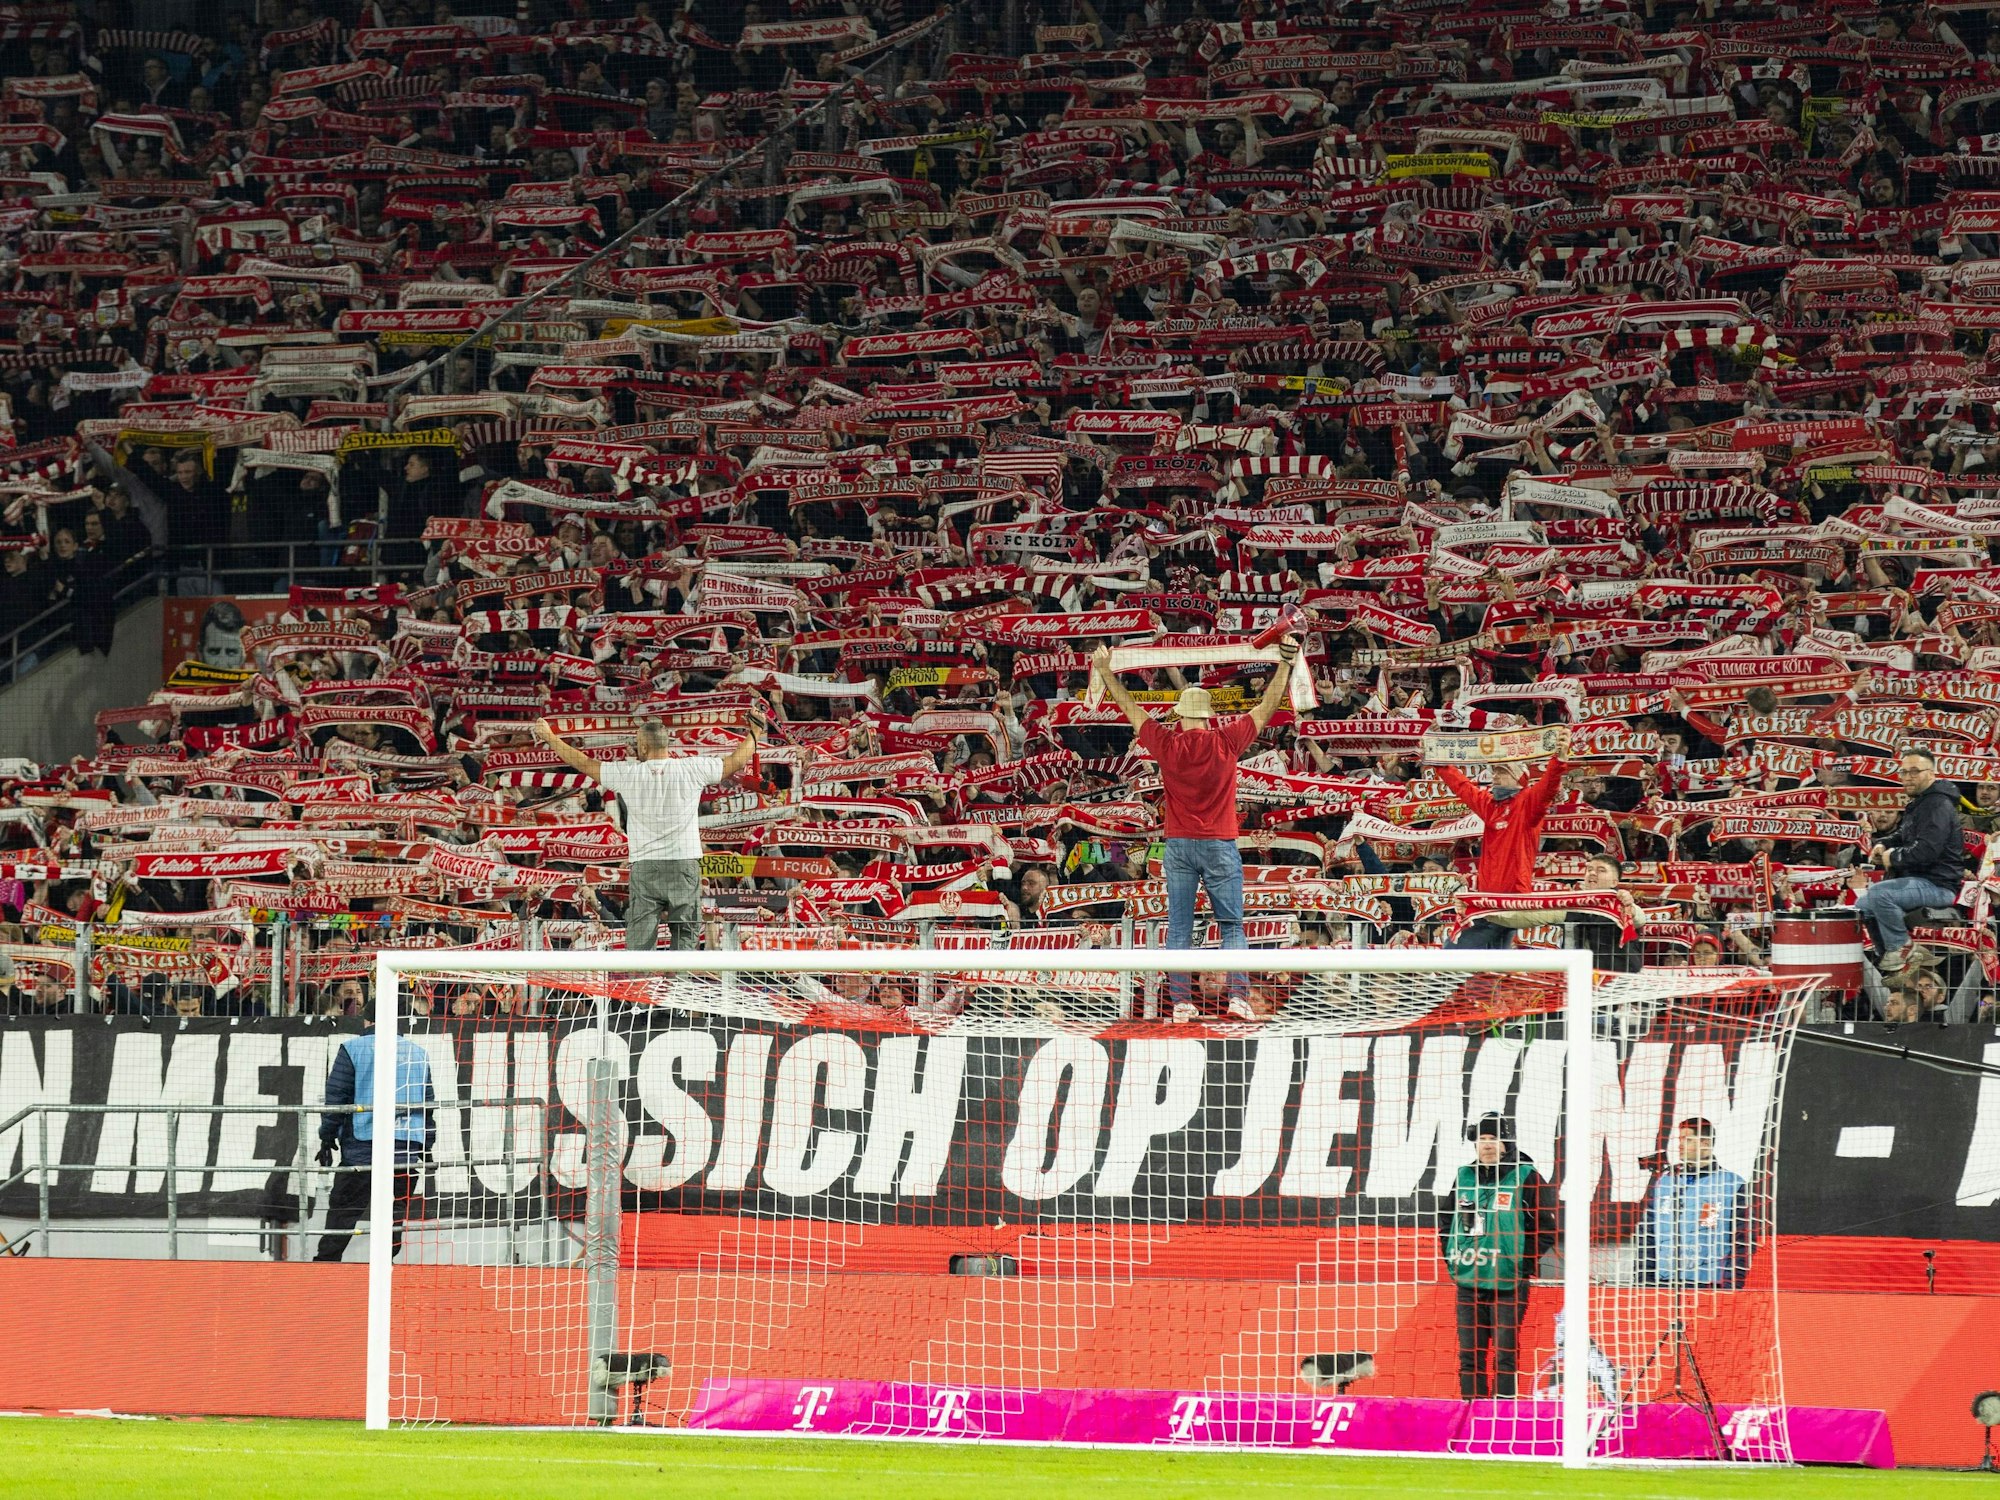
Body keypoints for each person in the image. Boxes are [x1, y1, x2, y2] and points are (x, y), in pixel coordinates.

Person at [1091, 636, 1300, 1012]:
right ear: (1208, 715)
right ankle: (1238, 998)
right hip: (1220, 843)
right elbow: (1268, 706)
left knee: (1181, 929)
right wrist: (1284, 665)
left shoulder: (1167, 744)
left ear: (1180, 715)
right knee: (1233, 927)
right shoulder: (1227, 741)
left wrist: (1106, 672)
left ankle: (1182, 1005)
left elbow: (1130, 707)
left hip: (1179, 846)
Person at [530, 716, 760, 951]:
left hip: (645, 867)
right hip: (684, 865)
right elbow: (736, 761)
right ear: (666, 744)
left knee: (640, 942)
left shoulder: (629, 774)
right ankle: (677, 986)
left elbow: (583, 762)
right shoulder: (694, 768)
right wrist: (756, 732)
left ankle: (643, 984)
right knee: (686, 936)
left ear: (643, 746)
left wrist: (550, 737)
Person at [1438, 1113, 1556, 1399]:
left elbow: (1546, 1228)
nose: (1487, 1145)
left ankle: (1502, 1418)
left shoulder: (1527, 1176)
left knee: (1504, 1357)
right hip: (1470, 1282)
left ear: (1506, 1144)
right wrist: (1454, 1261)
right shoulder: (1463, 1176)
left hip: (1508, 1283)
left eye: (1493, 1139)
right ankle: (1471, 1411)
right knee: (1470, 1356)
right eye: (1482, 1139)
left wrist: (1521, 1265)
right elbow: (1447, 1222)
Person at [314, 1024, 436, 1263]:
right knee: (394, 1213)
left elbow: (336, 1098)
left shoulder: (352, 1049)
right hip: (405, 1148)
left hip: (362, 1146)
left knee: (344, 1209)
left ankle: (325, 1265)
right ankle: (385, 1267)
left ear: (366, 1019)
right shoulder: (418, 1052)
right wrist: (426, 1144)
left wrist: (327, 1137)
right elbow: (428, 1104)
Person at [1434, 749, 1569, 950]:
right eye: (1494, 771)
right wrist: (1437, 761)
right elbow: (1463, 787)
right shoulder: (1490, 805)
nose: (1495, 776)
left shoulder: (1528, 804)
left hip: (1509, 900)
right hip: (1488, 899)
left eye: (1502, 771)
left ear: (1519, 778)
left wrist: (1559, 760)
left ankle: (1445, 981)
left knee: (1452, 950)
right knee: (1493, 963)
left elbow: (1548, 786)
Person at [1858, 749, 1965, 973]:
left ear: (1932, 774)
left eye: (1915, 771)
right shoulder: (1921, 803)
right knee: (1863, 906)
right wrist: (1884, 843)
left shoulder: (1937, 805)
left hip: (1938, 885)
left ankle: (1902, 949)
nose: (1907, 777)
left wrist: (1892, 857)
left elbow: (1926, 851)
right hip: (1919, 881)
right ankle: (1889, 957)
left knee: (1880, 894)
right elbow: (1904, 836)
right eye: (1904, 772)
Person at [1639, 1117, 1748, 1290]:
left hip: (1709, 1285)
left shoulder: (1732, 1185)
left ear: (1705, 1143)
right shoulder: (1664, 1183)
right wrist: (1644, 1279)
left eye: (1688, 1140)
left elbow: (1743, 1242)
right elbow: (1647, 1234)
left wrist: (1731, 1284)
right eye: (1680, 1139)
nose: (1680, 1145)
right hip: (1664, 1282)